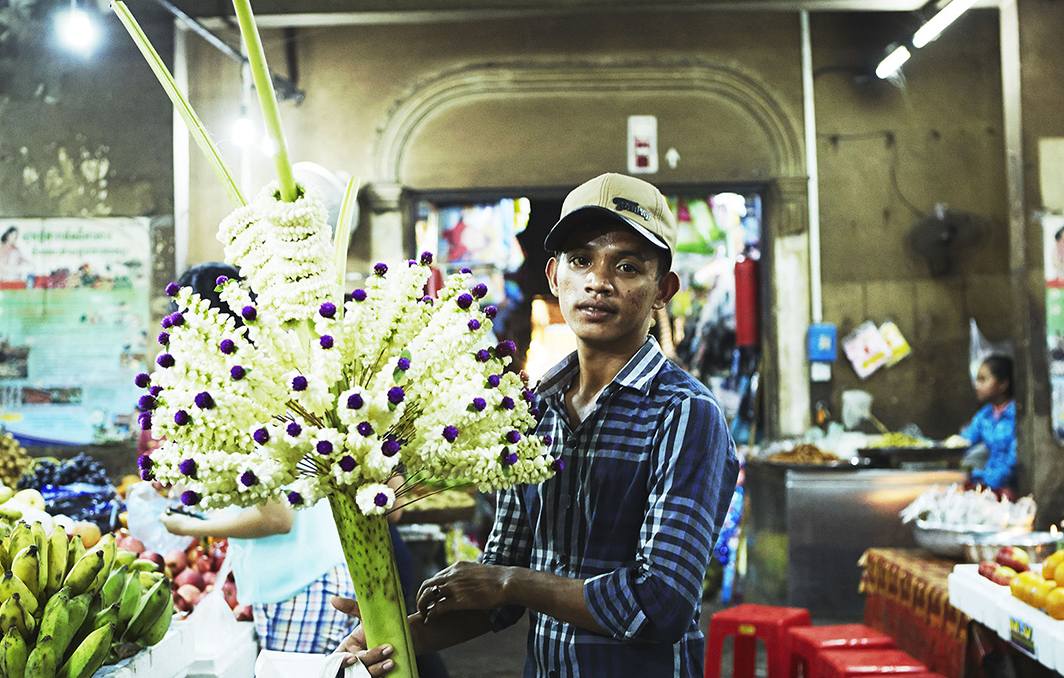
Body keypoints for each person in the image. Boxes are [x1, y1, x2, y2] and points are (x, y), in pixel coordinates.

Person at [334, 173, 738, 677]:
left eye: (628, 266)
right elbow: (497, 595)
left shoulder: (684, 413)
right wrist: (391, 635)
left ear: (663, 290)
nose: (598, 281)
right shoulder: (534, 410)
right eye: (580, 260)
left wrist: (511, 582)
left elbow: (661, 602)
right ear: (553, 277)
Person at [157, 262, 359, 654]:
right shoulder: (260, 376)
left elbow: (276, 517)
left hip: (301, 587)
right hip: (309, 579)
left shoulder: (243, 398)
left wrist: (189, 528)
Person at [959, 353, 1017, 497]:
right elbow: (962, 443)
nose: (977, 386)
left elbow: (1013, 464)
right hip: (990, 484)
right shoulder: (985, 415)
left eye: (983, 380)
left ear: (1003, 384)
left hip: (1010, 487)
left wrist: (984, 478)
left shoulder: (1016, 415)